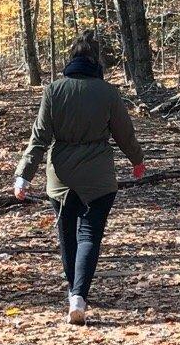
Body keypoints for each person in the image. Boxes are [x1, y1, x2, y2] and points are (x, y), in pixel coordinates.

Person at [12, 30, 145, 323]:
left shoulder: (54, 91)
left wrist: (24, 176)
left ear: (71, 59)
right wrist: (137, 161)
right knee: (89, 235)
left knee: (67, 236)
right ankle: (79, 297)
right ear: (97, 61)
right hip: (98, 179)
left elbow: (39, 137)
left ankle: (74, 291)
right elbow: (125, 134)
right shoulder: (108, 93)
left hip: (60, 179)